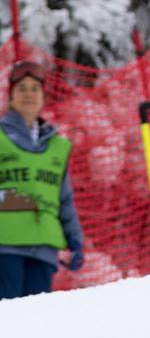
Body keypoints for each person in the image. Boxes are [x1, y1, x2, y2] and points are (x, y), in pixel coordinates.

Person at [0, 61, 85, 299]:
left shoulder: (57, 146)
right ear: (11, 96)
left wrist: (75, 241)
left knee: (35, 326)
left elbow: (64, 199)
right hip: (5, 247)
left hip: (43, 250)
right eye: (22, 88)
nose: (28, 94)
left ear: (44, 96)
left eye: (34, 88)